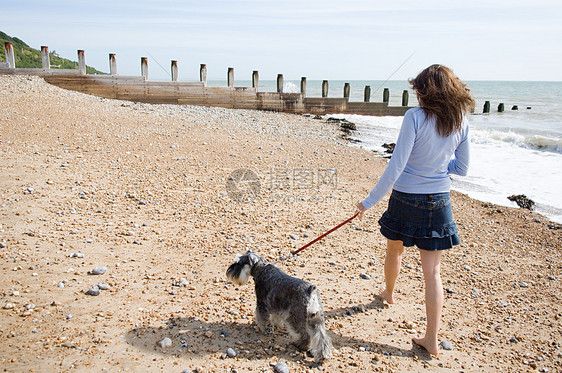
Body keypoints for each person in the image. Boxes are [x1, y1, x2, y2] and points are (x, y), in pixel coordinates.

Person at [356, 64, 475, 356]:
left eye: (418, 89)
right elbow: (462, 168)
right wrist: (436, 167)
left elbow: (397, 165)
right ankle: (432, 340)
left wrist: (368, 201)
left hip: (406, 197)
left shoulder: (414, 117)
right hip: (439, 200)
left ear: (426, 91)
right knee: (432, 272)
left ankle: (388, 293)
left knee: (394, 250)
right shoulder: (461, 120)